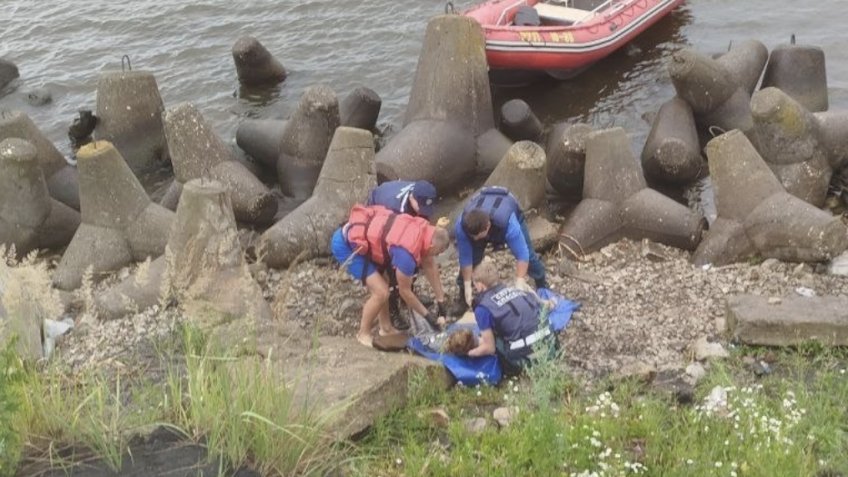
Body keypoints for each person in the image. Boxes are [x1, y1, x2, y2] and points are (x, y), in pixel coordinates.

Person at [331, 204, 449, 348]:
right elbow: (405, 292)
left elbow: (430, 265)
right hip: (347, 246)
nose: (435, 257)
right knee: (381, 292)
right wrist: (428, 317)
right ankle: (363, 333)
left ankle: (386, 329)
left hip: (370, 241)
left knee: (384, 283)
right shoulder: (407, 255)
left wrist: (441, 301)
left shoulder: (425, 232)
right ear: (431, 247)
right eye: (436, 253)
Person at [454, 186, 547, 312]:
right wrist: (466, 284)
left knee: (530, 256)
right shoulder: (462, 226)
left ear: (487, 227)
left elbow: (522, 254)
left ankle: (542, 285)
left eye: (478, 236)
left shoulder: (509, 225)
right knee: (473, 257)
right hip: (479, 224)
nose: (475, 240)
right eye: (473, 237)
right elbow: (465, 258)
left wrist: (520, 280)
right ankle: (463, 296)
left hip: (507, 215)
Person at [467, 259, 557, 374]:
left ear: (480, 285)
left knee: (494, 340)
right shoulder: (517, 291)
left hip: (524, 356)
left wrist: (470, 353)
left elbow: (490, 348)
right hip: (549, 344)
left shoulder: (483, 308)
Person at [367, 179, 438, 219]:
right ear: (411, 198)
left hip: (388, 189)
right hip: (376, 205)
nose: (422, 211)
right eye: (420, 207)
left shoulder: (418, 188)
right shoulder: (395, 208)